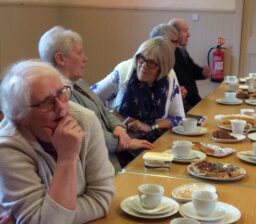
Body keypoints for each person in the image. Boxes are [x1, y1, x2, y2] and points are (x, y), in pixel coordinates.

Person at [0, 60, 114, 224]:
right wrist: (67, 158)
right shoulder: (7, 147)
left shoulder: (85, 120)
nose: (62, 108)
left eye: (61, 93)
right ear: (20, 116)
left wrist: (50, 215)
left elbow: (101, 198)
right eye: (46, 102)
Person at [38, 26, 154, 171]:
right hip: (96, 168)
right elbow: (87, 136)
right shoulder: (59, 97)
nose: (85, 58)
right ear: (61, 58)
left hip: (113, 160)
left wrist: (119, 127)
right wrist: (125, 142)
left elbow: (104, 110)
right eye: (79, 53)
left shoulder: (79, 83)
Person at [91, 37, 185, 143]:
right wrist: (112, 114)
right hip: (121, 140)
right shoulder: (123, 71)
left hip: (154, 138)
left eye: (151, 63)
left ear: (163, 68)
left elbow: (178, 118)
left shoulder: (169, 76)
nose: (144, 66)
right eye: (141, 58)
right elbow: (88, 97)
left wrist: (150, 126)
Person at [169, 18, 211, 112]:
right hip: (183, 106)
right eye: (185, 31)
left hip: (194, 101)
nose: (189, 34)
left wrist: (203, 73)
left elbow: (192, 70)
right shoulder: (167, 56)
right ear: (174, 33)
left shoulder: (181, 51)